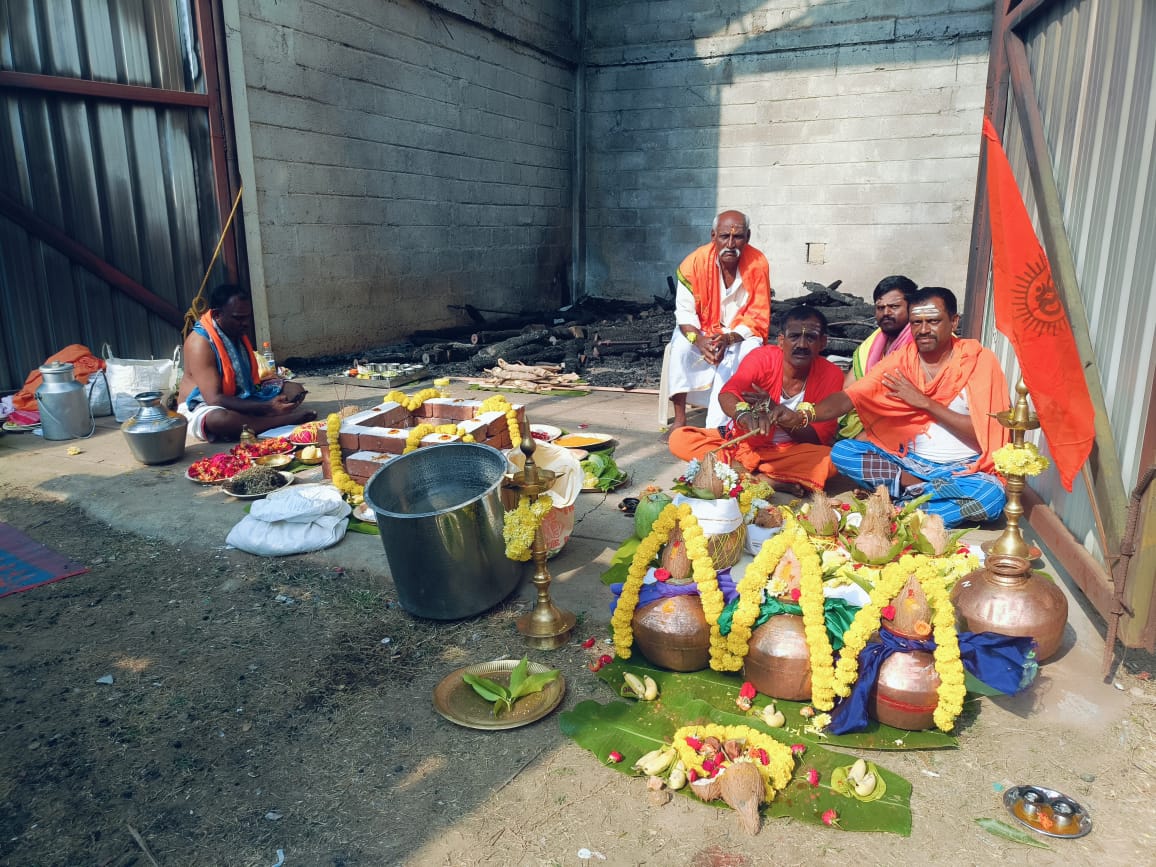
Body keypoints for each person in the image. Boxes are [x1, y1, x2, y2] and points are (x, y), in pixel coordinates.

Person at [776, 287, 1010, 527]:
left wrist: (925, 403)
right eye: (916, 323)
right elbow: (850, 397)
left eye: (933, 321)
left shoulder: (979, 361)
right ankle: (920, 501)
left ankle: (900, 508)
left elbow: (986, 433)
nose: (924, 330)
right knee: (843, 452)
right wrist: (805, 414)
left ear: (954, 322)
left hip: (963, 470)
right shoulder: (902, 360)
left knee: (991, 498)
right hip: (908, 464)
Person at [668, 305, 844, 494]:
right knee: (679, 438)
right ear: (781, 341)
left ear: (823, 343)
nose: (801, 345)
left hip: (788, 453)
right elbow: (728, 392)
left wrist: (785, 418)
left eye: (810, 337)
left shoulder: (831, 375)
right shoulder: (763, 357)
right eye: (794, 337)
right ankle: (766, 479)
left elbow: (818, 439)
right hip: (742, 445)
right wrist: (743, 416)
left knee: (832, 460)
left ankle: (739, 474)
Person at [667, 209, 772, 431]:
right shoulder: (693, 263)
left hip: (740, 333)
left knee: (747, 353)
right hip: (700, 330)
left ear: (748, 237)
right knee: (680, 348)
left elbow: (757, 316)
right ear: (713, 236)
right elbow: (684, 313)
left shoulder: (758, 263)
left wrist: (729, 338)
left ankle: (719, 424)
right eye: (725, 236)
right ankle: (679, 420)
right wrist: (699, 341)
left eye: (738, 237)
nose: (731, 243)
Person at [177, 284, 315, 441]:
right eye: (238, 318)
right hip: (201, 406)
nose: (245, 323)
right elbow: (214, 399)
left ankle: (257, 420)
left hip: (241, 395)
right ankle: (278, 421)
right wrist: (267, 406)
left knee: (295, 390)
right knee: (220, 420)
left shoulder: (235, 331)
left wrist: (266, 404)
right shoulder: (200, 343)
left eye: (247, 317)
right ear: (217, 315)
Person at [837, 275, 918, 439]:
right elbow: (849, 390)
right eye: (880, 308)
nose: (886, 313)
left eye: (894, 306)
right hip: (866, 419)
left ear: (912, 307)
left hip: (908, 424)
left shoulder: (924, 340)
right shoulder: (873, 342)